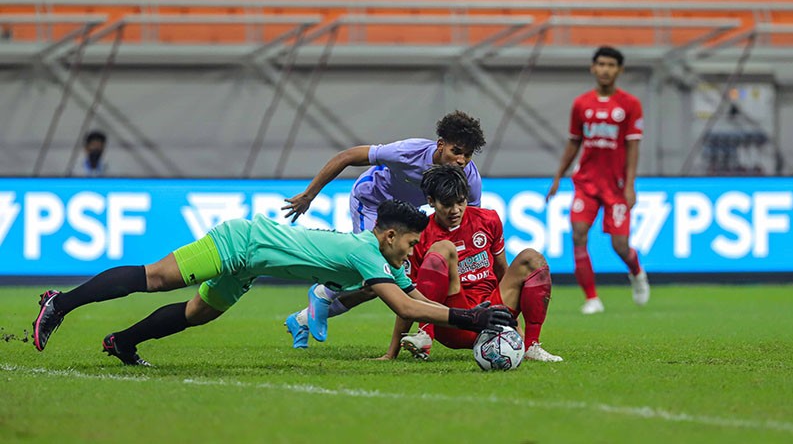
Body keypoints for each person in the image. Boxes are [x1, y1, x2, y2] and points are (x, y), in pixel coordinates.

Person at [31, 200, 514, 366]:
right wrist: (469, 316)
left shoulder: (387, 261)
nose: (413, 252)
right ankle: (61, 303)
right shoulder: (370, 253)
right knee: (156, 278)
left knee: (198, 314)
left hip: (250, 266)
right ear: (390, 235)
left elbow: (416, 297)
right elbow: (407, 311)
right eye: (410, 244)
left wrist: (469, 315)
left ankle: (122, 343)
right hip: (241, 241)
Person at [282, 110, 487, 347]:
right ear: (440, 145)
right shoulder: (408, 152)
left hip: (400, 215)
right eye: (456, 151)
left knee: (378, 285)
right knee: (373, 272)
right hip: (369, 202)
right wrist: (309, 195)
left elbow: (469, 222)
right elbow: (347, 156)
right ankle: (322, 294)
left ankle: (303, 319)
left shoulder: (468, 179)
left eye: (468, 155)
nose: (461, 160)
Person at [380, 166, 562, 362]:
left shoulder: (488, 220)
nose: (455, 210)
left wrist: (516, 326)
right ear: (431, 201)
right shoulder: (420, 236)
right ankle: (425, 335)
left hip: (492, 313)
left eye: (460, 202)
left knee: (532, 258)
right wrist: (392, 353)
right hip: (453, 320)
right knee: (443, 248)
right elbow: (409, 296)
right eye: (447, 204)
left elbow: (502, 271)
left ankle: (531, 347)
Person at [546, 45, 650, 315]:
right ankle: (592, 298)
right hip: (586, 184)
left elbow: (632, 147)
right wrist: (558, 178)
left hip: (615, 187)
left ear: (619, 70)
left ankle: (636, 272)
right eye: (601, 64)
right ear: (593, 68)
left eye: (611, 65)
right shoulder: (581, 104)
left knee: (620, 245)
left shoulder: (629, 104)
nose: (605, 69)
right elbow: (574, 142)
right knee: (578, 235)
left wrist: (630, 186)